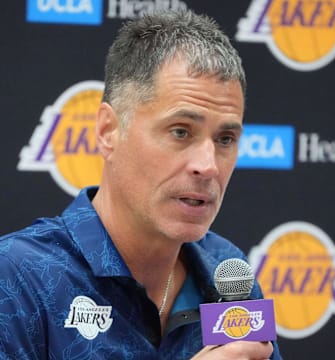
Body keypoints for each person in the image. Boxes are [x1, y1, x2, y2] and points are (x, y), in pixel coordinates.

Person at [0, 9, 282, 360]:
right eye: (181, 131)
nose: (208, 166)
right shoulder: (17, 277)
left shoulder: (228, 273)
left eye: (225, 139)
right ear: (107, 131)